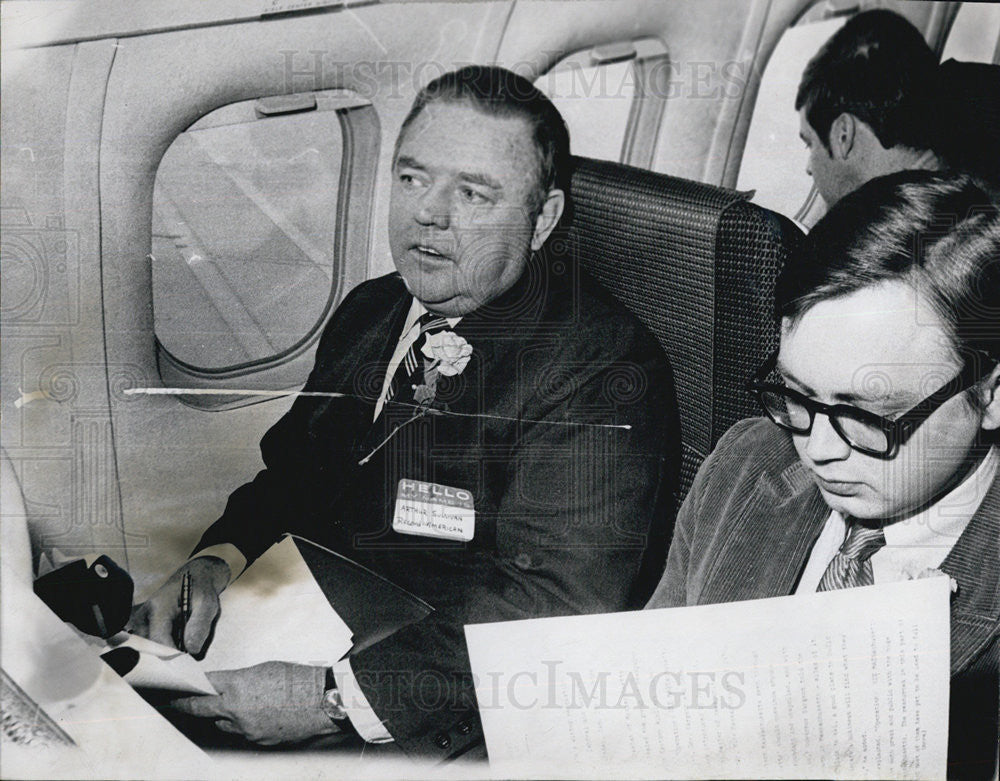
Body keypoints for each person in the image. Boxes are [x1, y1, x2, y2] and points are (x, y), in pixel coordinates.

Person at [131, 65, 679, 758]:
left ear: (542, 220)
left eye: (473, 192)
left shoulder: (601, 368)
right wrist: (215, 559)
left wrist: (330, 698)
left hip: (452, 713)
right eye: (413, 178)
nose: (428, 213)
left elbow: (550, 609)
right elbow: (292, 475)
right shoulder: (372, 310)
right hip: (313, 622)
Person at [647, 171, 999, 779]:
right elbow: (651, 673)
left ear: (990, 395)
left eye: (867, 415)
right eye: (797, 395)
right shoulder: (747, 461)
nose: (816, 449)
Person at [796, 10, 945, 208]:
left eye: (810, 144)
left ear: (843, 135)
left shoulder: (877, 232)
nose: (808, 168)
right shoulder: (964, 197)